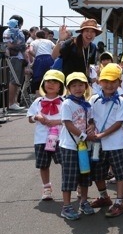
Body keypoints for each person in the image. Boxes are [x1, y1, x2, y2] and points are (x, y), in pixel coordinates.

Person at [87, 63, 123, 218]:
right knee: (97, 172)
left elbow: (120, 123)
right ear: (99, 81)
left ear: (119, 82)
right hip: (97, 143)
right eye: (106, 81)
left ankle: (119, 202)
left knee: (120, 173)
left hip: (115, 144)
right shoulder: (94, 99)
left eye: (113, 81)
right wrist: (91, 125)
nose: (109, 85)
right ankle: (104, 196)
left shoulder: (121, 101)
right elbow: (89, 116)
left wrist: (102, 134)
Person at [59, 72, 94, 220]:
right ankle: (66, 206)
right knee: (69, 176)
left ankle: (84, 201)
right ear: (68, 88)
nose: (78, 88)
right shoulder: (67, 103)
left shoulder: (87, 104)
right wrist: (83, 135)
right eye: (74, 86)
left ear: (86, 87)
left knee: (84, 175)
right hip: (69, 146)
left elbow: (91, 120)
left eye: (81, 85)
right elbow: (67, 123)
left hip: (84, 146)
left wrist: (92, 125)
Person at [27, 70, 65, 201]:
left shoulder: (63, 102)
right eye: (48, 81)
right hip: (41, 138)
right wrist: (36, 117)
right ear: (43, 84)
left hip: (60, 138)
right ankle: (46, 187)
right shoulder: (38, 101)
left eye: (55, 82)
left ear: (60, 86)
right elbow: (29, 118)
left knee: (65, 162)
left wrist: (57, 121)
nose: (51, 84)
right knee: (43, 164)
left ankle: (72, 184)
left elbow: (70, 119)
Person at [2, 16, 27, 111]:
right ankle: (11, 102)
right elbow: (8, 44)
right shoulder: (8, 31)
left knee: (17, 81)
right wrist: (20, 45)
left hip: (19, 58)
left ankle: (14, 102)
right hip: (14, 57)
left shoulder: (17, 32)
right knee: (13, 80)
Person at [27, 30, 55, 94]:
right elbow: (55, 48)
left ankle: (38, 97)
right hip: (49, 58)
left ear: (36, 36)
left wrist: (36, 56)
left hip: (39, 59)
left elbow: (30, 51)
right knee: (50, 77)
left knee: (38, 79)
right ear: (44, 36)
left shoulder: (33, 42)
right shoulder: (49, 41)